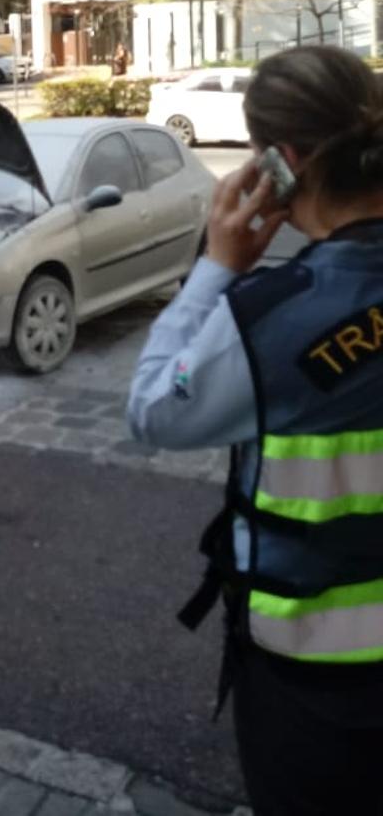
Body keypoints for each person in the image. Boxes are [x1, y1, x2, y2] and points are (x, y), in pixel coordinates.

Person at [128, 45, 383, 816]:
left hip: (312, 678)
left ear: (282, 161)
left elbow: (152, 410)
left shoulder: (272, 317)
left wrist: (218, 266)